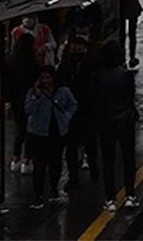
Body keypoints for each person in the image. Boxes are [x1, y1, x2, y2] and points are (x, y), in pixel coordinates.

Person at [91, 40, 139, 212]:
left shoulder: (96, 77)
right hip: (125, 120)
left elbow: (94, 100)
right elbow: (130, 96)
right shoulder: (126, 75)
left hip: (106, 122)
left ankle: (110, 198)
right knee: (128, 159)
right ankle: (130, 195)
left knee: (108, 161)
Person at [24, 66, 78, 209]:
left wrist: (67, 117)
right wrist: (36, 96)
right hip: (38, 133)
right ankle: (38, 195)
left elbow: (73, 105)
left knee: (55, 163)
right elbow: (28, 110)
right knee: (39, 166)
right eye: (42, 78)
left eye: (47, 77)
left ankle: (53, 189)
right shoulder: (34, 93)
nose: (45, 81)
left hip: (57, 133)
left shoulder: (63, 91)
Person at [57, 36, 95, 186]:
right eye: (75, 46)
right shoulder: (66, 66)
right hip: (72, 112)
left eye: (80, 47)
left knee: (88, 143)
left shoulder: (90, 64)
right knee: (72, 145)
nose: (78, 49)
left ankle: (92, 167)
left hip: (86, 109)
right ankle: (74, 175)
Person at [6, 33, 38, 175]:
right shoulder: (32, 63)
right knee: (30, 130)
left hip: (15, 100)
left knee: (19, 129)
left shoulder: (11, 62)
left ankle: (15, 158)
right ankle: (27, 160)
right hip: (30, 100)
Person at [119, 0, 143, 69]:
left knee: (121, 34)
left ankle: (122, 58)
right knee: (132, 34)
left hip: (121, 8)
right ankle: (132, 56)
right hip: (132, 6)